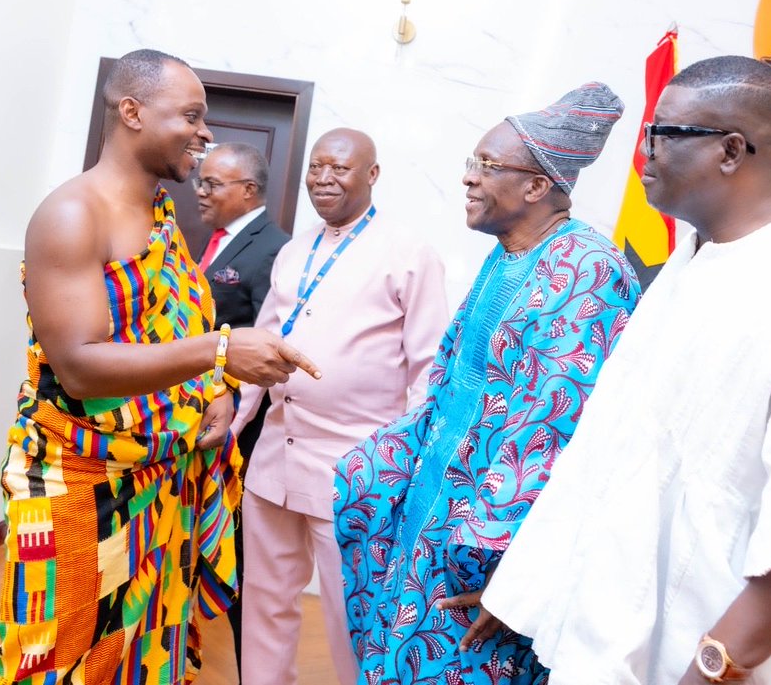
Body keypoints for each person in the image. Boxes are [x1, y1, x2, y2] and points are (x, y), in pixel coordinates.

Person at [483, 56, 771, 684]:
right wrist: (532, 592)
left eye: (661, 134)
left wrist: (709, 669)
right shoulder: (691, 265)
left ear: (730, 150)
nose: (643, 150)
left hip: (733, 667)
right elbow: (617, 459)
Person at [0, 48, 319, 685]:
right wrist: (222, 351)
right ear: (131, 111)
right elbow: (80, 366)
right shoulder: (72, 213)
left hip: (161, 478)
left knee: (140, 656)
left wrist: (214, 387)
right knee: (51, 659)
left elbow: (170, 321)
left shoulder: (162, 214)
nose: (205, 132)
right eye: (190, 115)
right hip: (76, 481)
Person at [334, 83, 641, 685]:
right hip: (433, 510)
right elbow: (452, 384)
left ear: (537, 186)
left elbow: (554, 429)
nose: (470, 178)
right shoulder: (507, 254)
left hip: (487, 551)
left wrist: (517, 570)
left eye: (488, 165)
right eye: (471, 163)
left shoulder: (589, 268)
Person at [235, 127, 449, 685]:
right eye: (316, 167)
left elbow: (430, 368)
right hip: (275, 456)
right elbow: (263, 337)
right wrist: (234, 413)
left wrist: (406, 466)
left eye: (341, 169)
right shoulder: (294, 249)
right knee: (263, 599)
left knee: (350, 611)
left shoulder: (409, 253)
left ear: (372, 176)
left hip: (353, 468)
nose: (323, 179)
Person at [193, 141, 290, 677]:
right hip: (197, 421)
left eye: (212, 183)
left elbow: (267, 345)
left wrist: (229, 398)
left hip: (240, 431)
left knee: (237, 559)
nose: (200, 191)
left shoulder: (273, 249)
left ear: (248, 191)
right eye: (200, 181)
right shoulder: (215, 242)